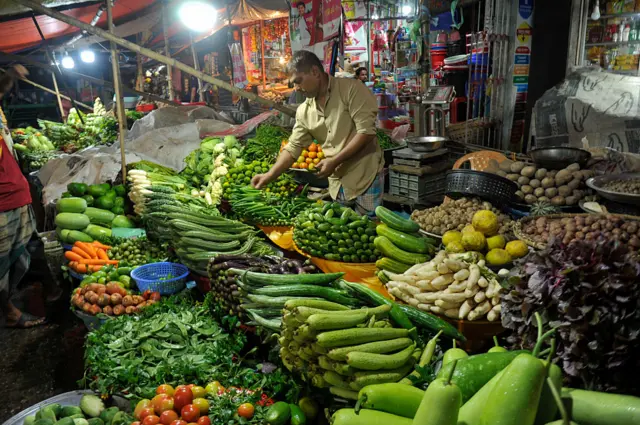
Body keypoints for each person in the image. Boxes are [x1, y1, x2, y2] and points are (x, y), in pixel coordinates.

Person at [251, 51, 384, 216]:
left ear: (314, 72)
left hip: (364, 176)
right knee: (344, 234)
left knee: (369, 232)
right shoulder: (305, 111)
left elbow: (366, 132)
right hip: (337, 183)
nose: (297, 89)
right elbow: (294, 147)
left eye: (298, 82)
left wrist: (334, 161)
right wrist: (269, 175)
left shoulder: (351, 90)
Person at [0, 65, 48, 328]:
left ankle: (45, 289)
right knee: (2, 262)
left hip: (16, 195)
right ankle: (8, 311)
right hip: (2, 203)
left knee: (25, 252)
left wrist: (11, 77)